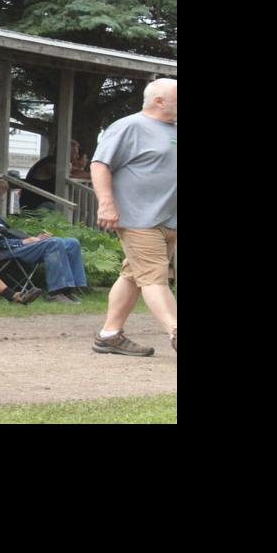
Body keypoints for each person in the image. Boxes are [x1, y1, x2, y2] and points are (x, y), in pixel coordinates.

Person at [89, 78, 177, 356]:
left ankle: (109, 335)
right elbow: (100, 164)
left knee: (133, 276)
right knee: (154, 277)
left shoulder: (174, 130)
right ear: (159, 100)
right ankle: (175, 330)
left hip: (169, 219)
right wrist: (106, 204)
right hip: (140, 217)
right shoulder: (129, 126)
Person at [0, 176, 87, 303]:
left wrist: (32, 238)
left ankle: (70, 290)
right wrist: (22, 242)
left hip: (12, 247)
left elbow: (8, 233)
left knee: (71, 243)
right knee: (54, 243)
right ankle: (56, 293)